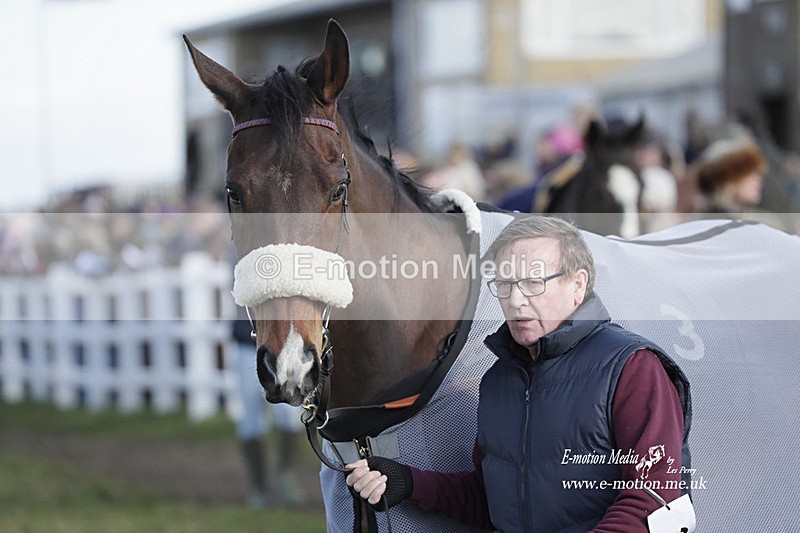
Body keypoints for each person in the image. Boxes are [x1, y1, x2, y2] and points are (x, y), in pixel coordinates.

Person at [346, 216, 692, 532]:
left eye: (532, 282)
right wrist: (410, 482)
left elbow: (653, 498)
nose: (515, 300)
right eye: (504, 284)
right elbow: (493, 502)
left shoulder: (633, 367)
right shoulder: (497, 382)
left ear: (578, 284)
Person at [232, 311, 305, 508]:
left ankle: (285, 477)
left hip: (284, 344)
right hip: (248, 344)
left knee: (290, 415)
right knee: (250, 419)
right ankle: (258, 487)